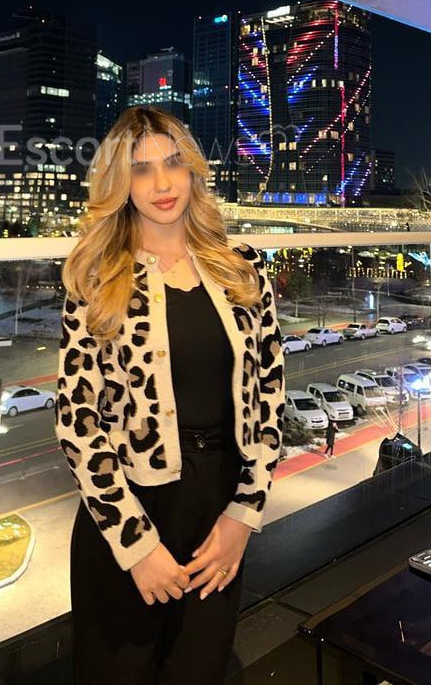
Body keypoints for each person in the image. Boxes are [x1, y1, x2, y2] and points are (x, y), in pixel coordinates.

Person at [56, 106, 284, 684]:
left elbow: (269, 398)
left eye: (173, 163)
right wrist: (135, 546)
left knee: (199, 671)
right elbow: (77, 420)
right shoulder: (98, 277)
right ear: (119, 182)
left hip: (219, 511)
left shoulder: (242, 269)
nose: (161, 183)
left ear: (193, 171)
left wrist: (244, 514)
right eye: (140, 169)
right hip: (130, 512)